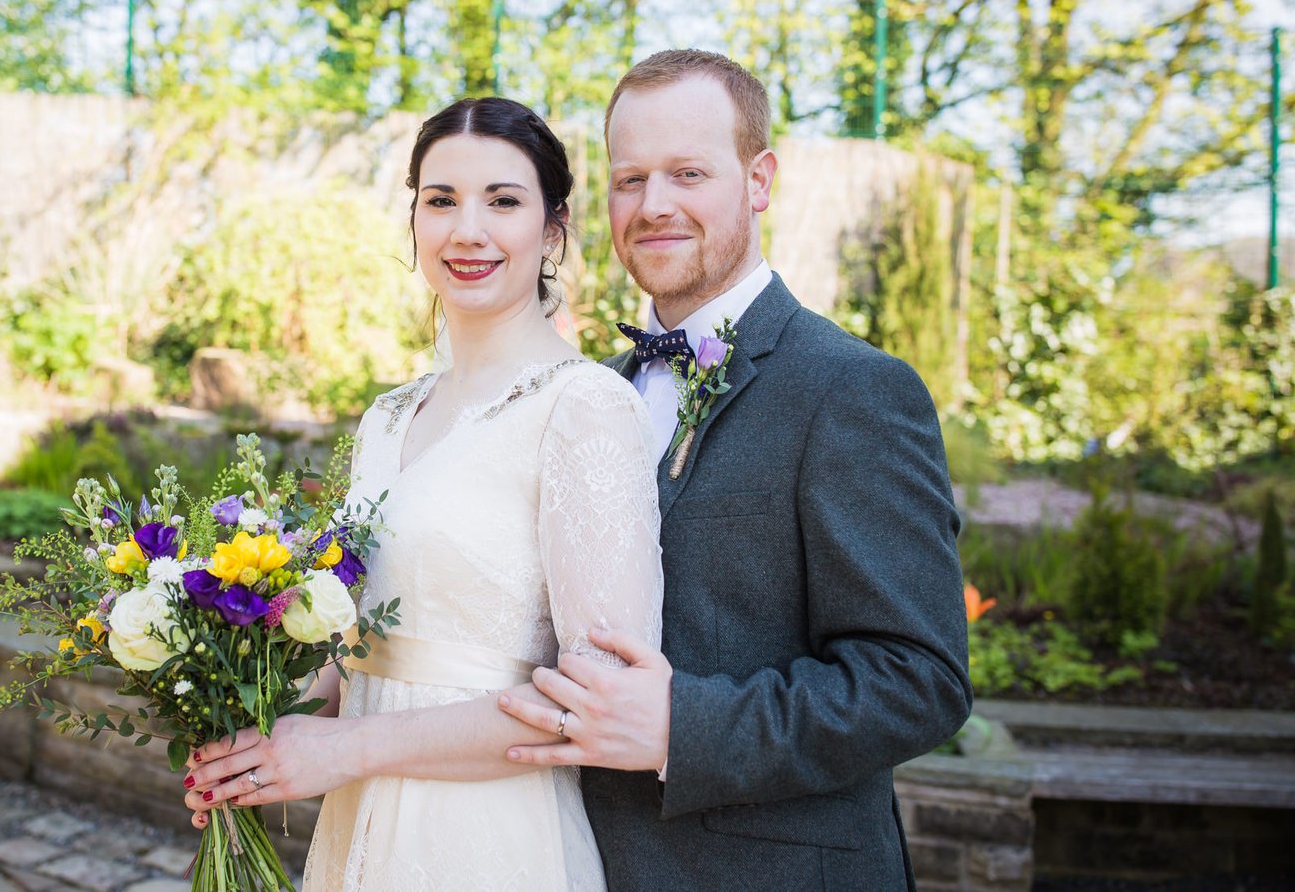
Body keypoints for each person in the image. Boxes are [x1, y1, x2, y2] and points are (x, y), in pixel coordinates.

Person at [496, 48, 973, 889]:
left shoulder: (854, 389)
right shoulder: (584, 397)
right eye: (631, 178)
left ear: (759, 180)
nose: (655, 206)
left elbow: (919, 679)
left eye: (689, 173)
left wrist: (687, 727)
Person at [181, 97, 664, 891]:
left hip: (492, 835)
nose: (466, 230)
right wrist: (249, 729)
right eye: (440, 201)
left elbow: (596, 700)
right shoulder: (387, 416)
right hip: (359, 821)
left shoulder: (583, 408)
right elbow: (350, 637)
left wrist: (346, 748)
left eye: (502, 201)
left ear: (551, 230)